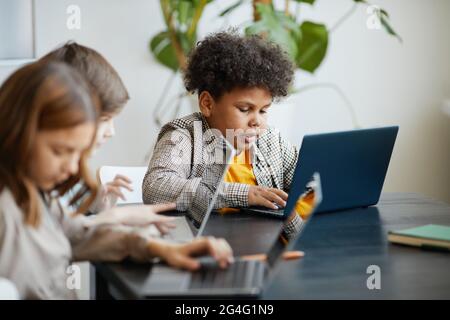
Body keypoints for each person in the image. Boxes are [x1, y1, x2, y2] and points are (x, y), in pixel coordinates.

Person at [0, 60, 233, 299]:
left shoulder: (33, 192)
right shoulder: (6, 213)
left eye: (79, 154)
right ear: (18, 132)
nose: (72, 167)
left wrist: (161, 248)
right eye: (60, 151)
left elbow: (77, 233)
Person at [143, 31, 306, 238]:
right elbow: (155, 187)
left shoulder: (271, 141)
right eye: (245, 109)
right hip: (210, 255)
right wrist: (241, 194)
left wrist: (292, 216)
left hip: (268, 257)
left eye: (263, 110)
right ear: (208, 104)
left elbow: (308, 188)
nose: (257, 121)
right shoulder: (185, 136)